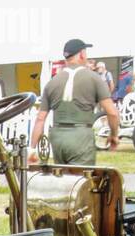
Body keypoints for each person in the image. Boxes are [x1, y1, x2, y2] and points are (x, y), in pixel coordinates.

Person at [32, 38, 120, 166]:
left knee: (63, 179)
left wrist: (32, 149)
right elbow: (112, 113)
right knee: (82, 182)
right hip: (81, 138)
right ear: (82, 54)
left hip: (58, 138)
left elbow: (40, 119)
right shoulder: (94, 78)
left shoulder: (52, 82)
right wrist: (114, 135)